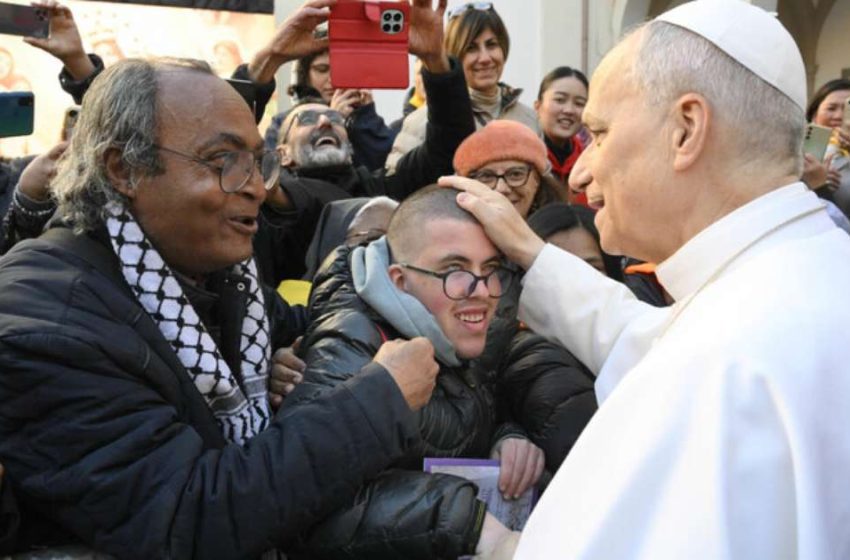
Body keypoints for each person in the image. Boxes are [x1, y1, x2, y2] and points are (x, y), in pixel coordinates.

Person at [0, 5, 442, 559]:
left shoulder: (220, 276)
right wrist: (377, 401)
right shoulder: (44, 323)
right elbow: (192, 517)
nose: (256, 187)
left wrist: (310, 355)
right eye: (223, 160)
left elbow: (303, 327)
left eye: (257, 162)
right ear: (123, 169)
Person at [443, 1, 850, 557]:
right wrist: (531, 252)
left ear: (686, 129)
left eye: (601, 133)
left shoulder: (725, 362)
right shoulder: (797, 274)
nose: (582, 170)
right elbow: (651, 338)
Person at [280, 185, 594, 558]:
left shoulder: (475, 323)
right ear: (399, 280)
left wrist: (508, 435)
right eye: (454, 270)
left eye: (489, 269)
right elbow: (302, 506)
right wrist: (471, 526)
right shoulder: (352, 347)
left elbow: (484, 396)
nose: (481, 291)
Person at [256, 0, 475, 286]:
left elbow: (449, 145)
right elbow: (227, 138)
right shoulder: (268, 204)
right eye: (307, 119)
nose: (324, 123)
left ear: (350, 143)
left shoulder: (382, 188)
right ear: (282, 154)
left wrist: (436, 61)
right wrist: (271, 57)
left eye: (334, 118)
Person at [385, 2, 540, 173]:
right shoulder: (423, 121)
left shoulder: (530, 119)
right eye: (471, 48)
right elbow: (397, 187)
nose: (485, 58)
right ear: (454, 54)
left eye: (491, 45)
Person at [261, 31, 396, 172]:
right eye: (322, 70)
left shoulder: (363, 118)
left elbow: (386, 168)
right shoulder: (283, 122)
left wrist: (366, 117)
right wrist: (333, 119)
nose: (332, 80)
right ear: (305, 75)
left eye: (341, 70)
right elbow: (274, 176)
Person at [534, 66, 590, 205]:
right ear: (538, 106)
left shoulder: (589, 163)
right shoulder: (525, 160)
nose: (569, 110)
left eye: (579, 103)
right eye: (560, 100)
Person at [805, 79, 850, 217]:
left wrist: (820, 186)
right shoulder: (794, 152)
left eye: (847, 109)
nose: (839, 116)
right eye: (831, 108)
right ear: (814, 114)